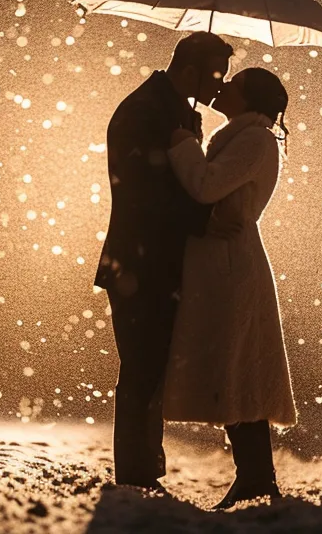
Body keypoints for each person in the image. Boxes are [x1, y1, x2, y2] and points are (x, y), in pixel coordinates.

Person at [93, 31, 236, 494]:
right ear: (190, 71)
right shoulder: (145, 111)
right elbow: (147, 193)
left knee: (150, 366)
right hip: (139, 261)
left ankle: (142, 469)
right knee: (141, 366)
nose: (220, 88)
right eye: (216, 75)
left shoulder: (168, 109)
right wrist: (204, 218)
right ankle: (136, 473)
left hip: (150, 261)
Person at [163, 67, 297, 510]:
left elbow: (206, 187)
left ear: (250, 98)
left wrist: (184, 143)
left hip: (231, 268)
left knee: (238, 369)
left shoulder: (255, 140)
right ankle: (255, 477)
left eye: (233, 84)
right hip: (221, 265)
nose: (221, 87)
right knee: (237, 370)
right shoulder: (241, 137)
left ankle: (257, 478)